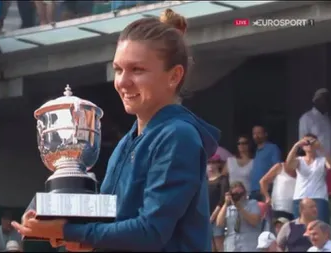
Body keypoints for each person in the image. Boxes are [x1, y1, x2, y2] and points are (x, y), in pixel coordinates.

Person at [13, 8, 220, 252]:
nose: (122, 82)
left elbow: (150, 232)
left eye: (137, 70)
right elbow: (111, 226)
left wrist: (66, 231)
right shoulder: (127, 143)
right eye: (119, 69)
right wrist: (55, 222)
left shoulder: (178, 137)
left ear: (174, 76)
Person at [285, 134, 331, 223]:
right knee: (299, 228)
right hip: (300, 197)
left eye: (312, 142)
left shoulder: (322, 160)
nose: (309, 144)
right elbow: (288, 165)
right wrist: (296, 145)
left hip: (319, 198)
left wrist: (320, 147)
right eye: (306, 142)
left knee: (321, 227)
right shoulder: (299, 160)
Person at [216, 181, 263, 251]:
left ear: (245, 193)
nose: (238, 196)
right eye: (235, 194)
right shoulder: (228, 209)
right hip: (232, 245)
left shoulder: (252, 204)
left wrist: (240, 208)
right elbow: (219, 223)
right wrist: (225, 203)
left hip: (249, 245)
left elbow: (255, 221)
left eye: (240, 193)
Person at [251, 125, 282, 201]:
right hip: (253, 190)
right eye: (254, 133)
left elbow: (278, 168)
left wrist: (268, 186)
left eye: (259, 133)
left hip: (266, 190)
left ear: (265, 134)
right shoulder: (255, 151)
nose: (256, 136)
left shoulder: (272, 148)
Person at [206, 154, 229, 252]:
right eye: (209, 163)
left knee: (218, 242)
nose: (211, 165)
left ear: (219, 164)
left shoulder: (222, 179)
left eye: (214, 162)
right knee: (209, 244)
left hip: (218, 215)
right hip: (206, 215)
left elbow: (222, 199)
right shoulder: (204, 180)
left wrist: (213, 215)